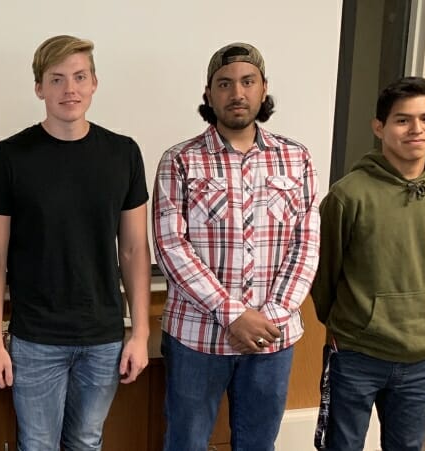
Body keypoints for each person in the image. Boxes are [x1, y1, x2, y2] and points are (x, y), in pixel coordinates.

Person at [0, 35, 151, 450]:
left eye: (79, 77)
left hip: (104, 335)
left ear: (94, 83)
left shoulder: (123, 154)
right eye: (56, 79)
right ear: (39, 88)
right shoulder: (8, 158)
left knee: (86, 442)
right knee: (37, 444)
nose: (69, 89)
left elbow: (133, 250)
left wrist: (140, 332)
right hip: (35, 337)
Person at [152, 42, 321, 451]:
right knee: (185, 443)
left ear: (264, 89)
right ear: (209, 94)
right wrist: (233, 315)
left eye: (248, 82)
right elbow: (171, 247)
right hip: (196, 338)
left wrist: (272, 316)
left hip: (272, 337)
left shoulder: (296, 158)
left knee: (257, 444)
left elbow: (308, 242)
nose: (237, 93)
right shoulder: (180, 161)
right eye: (224, 84)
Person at [311, 76, 425, 451]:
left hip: (420, 354)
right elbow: (325, 272)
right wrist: (349, 324)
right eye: (403, 120)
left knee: (407, 445)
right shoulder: (349, 195)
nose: (416, 129)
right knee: (342, 445)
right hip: (356, 353)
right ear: (379, 127)